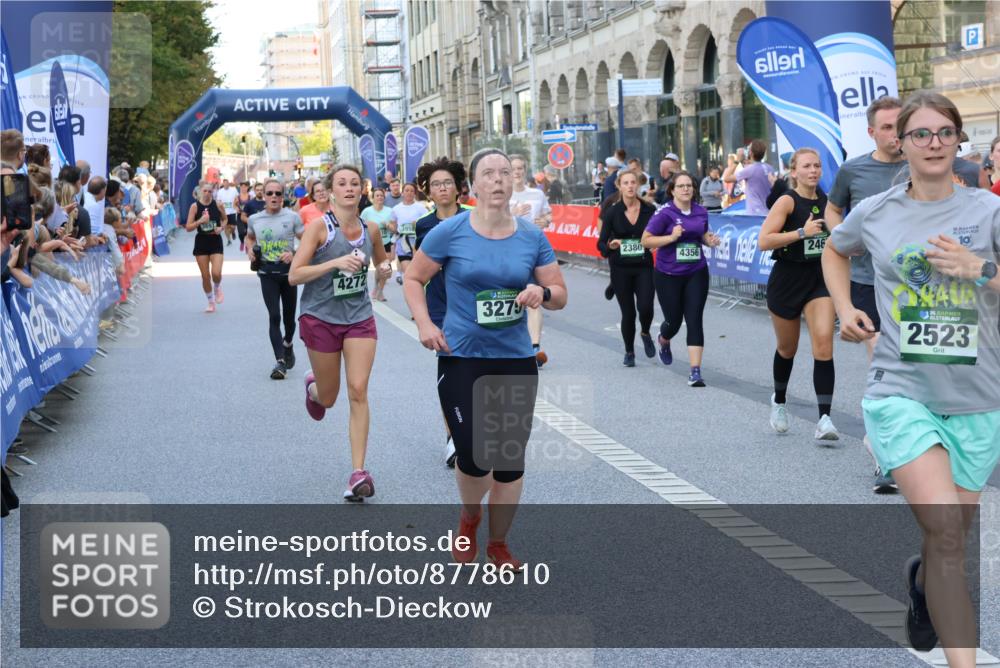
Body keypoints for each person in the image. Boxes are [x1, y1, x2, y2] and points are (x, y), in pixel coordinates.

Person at [824, 90, 1000, 668]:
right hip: (902, 392)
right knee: (949, 537)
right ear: (899, 141)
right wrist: (846, 308)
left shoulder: (988, 210)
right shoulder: (877, 211)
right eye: (920, 134)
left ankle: (923, 585)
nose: (932, 144)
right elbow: (834, 249)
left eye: (944, 133)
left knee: (948, 538)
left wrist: (983, 270)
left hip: (978, 399)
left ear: (958, 140)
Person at [402, 148, 567, 571]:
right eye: (488, 174)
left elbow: (560, 294)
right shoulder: (450, 232)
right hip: (462, 357)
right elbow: (414, 277)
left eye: (504, 173)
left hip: (514, 359)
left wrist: (541, 294)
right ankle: (469, 517)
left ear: (513, 182)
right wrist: (424, 324)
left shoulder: (531, 236)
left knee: (509, 460)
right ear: (471, 186)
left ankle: (498, 543)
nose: (497, 180)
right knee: (473, 455)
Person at [289, 165, 392, 502]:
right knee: (330, 397)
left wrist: (385, 270)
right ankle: (314, 388)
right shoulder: (319, 228)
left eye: (354, 184)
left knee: (359, 389)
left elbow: (380, 263)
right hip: (320, 317)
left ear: (361, 190)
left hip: (359, 317)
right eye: (341, 183)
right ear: (330, 191)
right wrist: (333, 263)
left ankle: (358, 473)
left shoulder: (371, 229)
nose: (348, 188)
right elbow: (295, 275)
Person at [826, 95, 906, 492]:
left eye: (901, 125)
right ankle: (885, 455)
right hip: (867, 282)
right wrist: (840, 239)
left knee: (919, 369)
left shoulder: (926, 168)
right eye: (887, 127)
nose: (896, 134)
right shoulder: (853, 169)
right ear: (872, 131)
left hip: (916, 289)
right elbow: (832, 211)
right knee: (885, 364)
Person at [758, 148, 839, 440]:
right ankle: (779, 401)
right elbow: (764, 241)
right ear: (794, 172)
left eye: (817, 166)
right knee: (787, 349)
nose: (813, 170)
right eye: (807, 166)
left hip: (819, 280)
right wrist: (801, 233)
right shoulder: (787, 201)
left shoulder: (830, 203)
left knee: (823, 345)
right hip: (787, 280)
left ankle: (825, 419)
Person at [642, 171, 721, 386]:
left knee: (694, 319)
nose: (686, 189)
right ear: (672, 190)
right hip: (668, 274)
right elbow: (646, 241)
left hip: (696, 271)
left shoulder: (701, 211)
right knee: (674, 322)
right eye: (681, 186)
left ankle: (695, 371)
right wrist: (671, 237)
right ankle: (663, 339)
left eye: (689, 185)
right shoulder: (664, 214)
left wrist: (710, 240)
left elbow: (702, 235)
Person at [413, 156, 468, 466]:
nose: (443, 188)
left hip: (474, 306)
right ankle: (453, 439)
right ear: (428, 192)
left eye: (447, 182)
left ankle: (470, 429)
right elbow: (418, 269)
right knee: (451, 373)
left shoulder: (475, 218)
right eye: (436, 184)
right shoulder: (424, 225)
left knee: (477, 372)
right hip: (441, 306)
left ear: (458, 187)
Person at [245, 178, 305, 379]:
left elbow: (306, 242)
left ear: (283, 196)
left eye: (278, 193)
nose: (273, 197)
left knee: (289, 319)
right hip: (267, 273)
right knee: (274, 316)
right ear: (262, 195)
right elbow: (250, 237)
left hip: (288, 274)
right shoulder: (255, 219)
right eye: (269, 193)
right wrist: (250, 251)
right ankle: (280, 362)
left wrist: (294, 253)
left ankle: (288, 343)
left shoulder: (293, 217)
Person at [597, 169, 657, 366]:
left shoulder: (649, 209)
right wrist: (610, 246)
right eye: (626, 183)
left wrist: (656, 242)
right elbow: (601, 243)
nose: (630, 186)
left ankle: (646, 332)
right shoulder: (612, 211)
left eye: (633, 182)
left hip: (643, 266)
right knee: (628, 313)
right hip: (620, 268)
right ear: (619, 186)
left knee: (646, 307)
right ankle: (629, 351)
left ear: (638, 185)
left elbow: (659, 233)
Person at [510, 155, 553, 367]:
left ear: (525, 170)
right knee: (512, 299)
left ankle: (535, 347)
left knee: (534, 296)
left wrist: (543, 221)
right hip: (508, 251)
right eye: (513, 168)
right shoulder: (502, 194)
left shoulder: (537, 194)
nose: (517, 172)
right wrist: (513, 214)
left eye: (520, 168)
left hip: (533, 249)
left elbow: (548, 216)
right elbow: (489, 220)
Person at [185, 180, 227, 312]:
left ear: (213, 192)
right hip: (201, 241)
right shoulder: (195, 207)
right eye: (205, 191)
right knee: (205, 276)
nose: (208, 193)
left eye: (210, 191)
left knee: (216, 272)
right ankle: (210, 302)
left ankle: (217, 287)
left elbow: (225, 219)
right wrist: (200, 221)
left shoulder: (218, 205)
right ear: (200, 191)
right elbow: (188, 227)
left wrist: (221, 228)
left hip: (215, 240)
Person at [360, 187, 395, 301]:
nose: (379, 197)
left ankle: (379, 291)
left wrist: (388, 226)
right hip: (373, 243)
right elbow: (361, 227)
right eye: (377, 195)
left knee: (386, 268)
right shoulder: (367, 211)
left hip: (386, 242)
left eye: (381, 195)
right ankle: (376, 287)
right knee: (379, 268)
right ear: (373, 198)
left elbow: (394, 229)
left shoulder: (389, 211)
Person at [723, 140, 774, 215]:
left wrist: (737, 160)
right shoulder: (770, 168)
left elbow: (726, 178)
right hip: (769, 212)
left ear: (750, 153)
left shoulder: (749, 170)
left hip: (755, 213)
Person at [389, 182, 425, 285]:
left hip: (417, 243)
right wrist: (390, 227)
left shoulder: (421, 207)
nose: (409, 193)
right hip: (403, 243)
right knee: (409, 272)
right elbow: (393, 227)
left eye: (412, 191)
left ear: (415, 193)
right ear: (402, 193)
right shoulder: (396, 209)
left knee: (417, 272)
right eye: (407, 190)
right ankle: (411, 292)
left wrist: (418, 223)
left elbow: (428, 224)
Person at [216, 178, 238, 246]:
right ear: (223, 184)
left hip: (232, 211)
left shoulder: (233, 189)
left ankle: (233, 232)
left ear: (228, 183)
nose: (226, 184)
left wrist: (236, 203)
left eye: (227, 183)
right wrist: (220, 207)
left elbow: (237, 198)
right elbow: (218, 200)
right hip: (224, 212)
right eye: (224, 183)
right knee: (226, 227)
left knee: (233, 226)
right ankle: (229, 240)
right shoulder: (220, 191)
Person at [233, 181, 252, 251]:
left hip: (248, 216)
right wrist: (236, 208)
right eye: (242, 187)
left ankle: (247, 245)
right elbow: (234, 205)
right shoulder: (237, 197)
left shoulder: (250, 197)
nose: (243, 188)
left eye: (245, 187)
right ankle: (242, 242)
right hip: (240, 216)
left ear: (247, 187)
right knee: (241, 232)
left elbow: (252, 205)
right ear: (240, 188)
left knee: (248, 232)